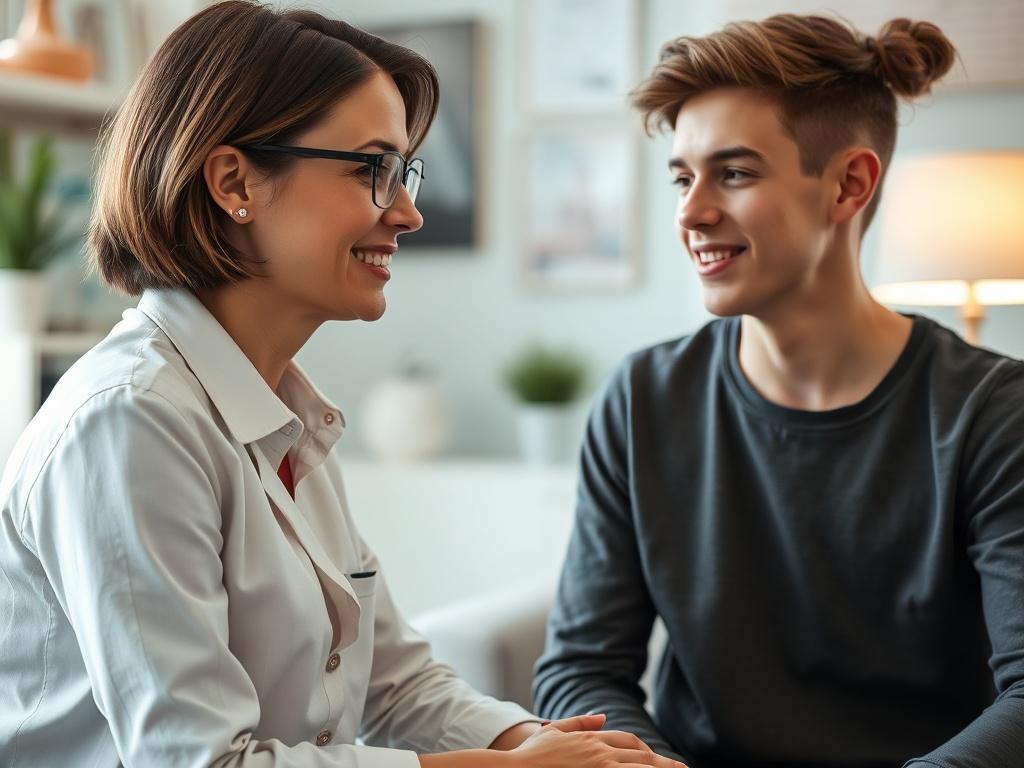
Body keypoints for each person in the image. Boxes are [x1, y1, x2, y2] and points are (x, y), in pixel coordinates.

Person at [0, 3, 686, 767]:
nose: (409, 211)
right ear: (235, 182)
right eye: (374, 169)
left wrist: (534, 739)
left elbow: (395, 685)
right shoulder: (129, 422)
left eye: (405, 172)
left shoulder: (287, 415)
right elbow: (199, 763)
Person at [533, 13, 1024, 768]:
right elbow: (582, 670)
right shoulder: (641, 400)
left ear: (849, 186)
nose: (691, 212)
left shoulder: (993, 413)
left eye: (733, 173)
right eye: (681, 176)